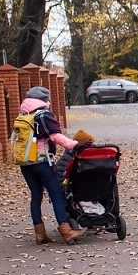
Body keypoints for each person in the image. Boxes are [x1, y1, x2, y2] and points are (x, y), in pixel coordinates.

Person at [17, 86, 84, 244]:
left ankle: (40, 234)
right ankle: (67, 232)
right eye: (47, 99)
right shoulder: (43, 115)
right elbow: (55, 137)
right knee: (57, 195)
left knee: (36, 196)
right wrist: (75, 145)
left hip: (26, 163)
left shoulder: (23, 114)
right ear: (43, 100)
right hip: (42, 161)